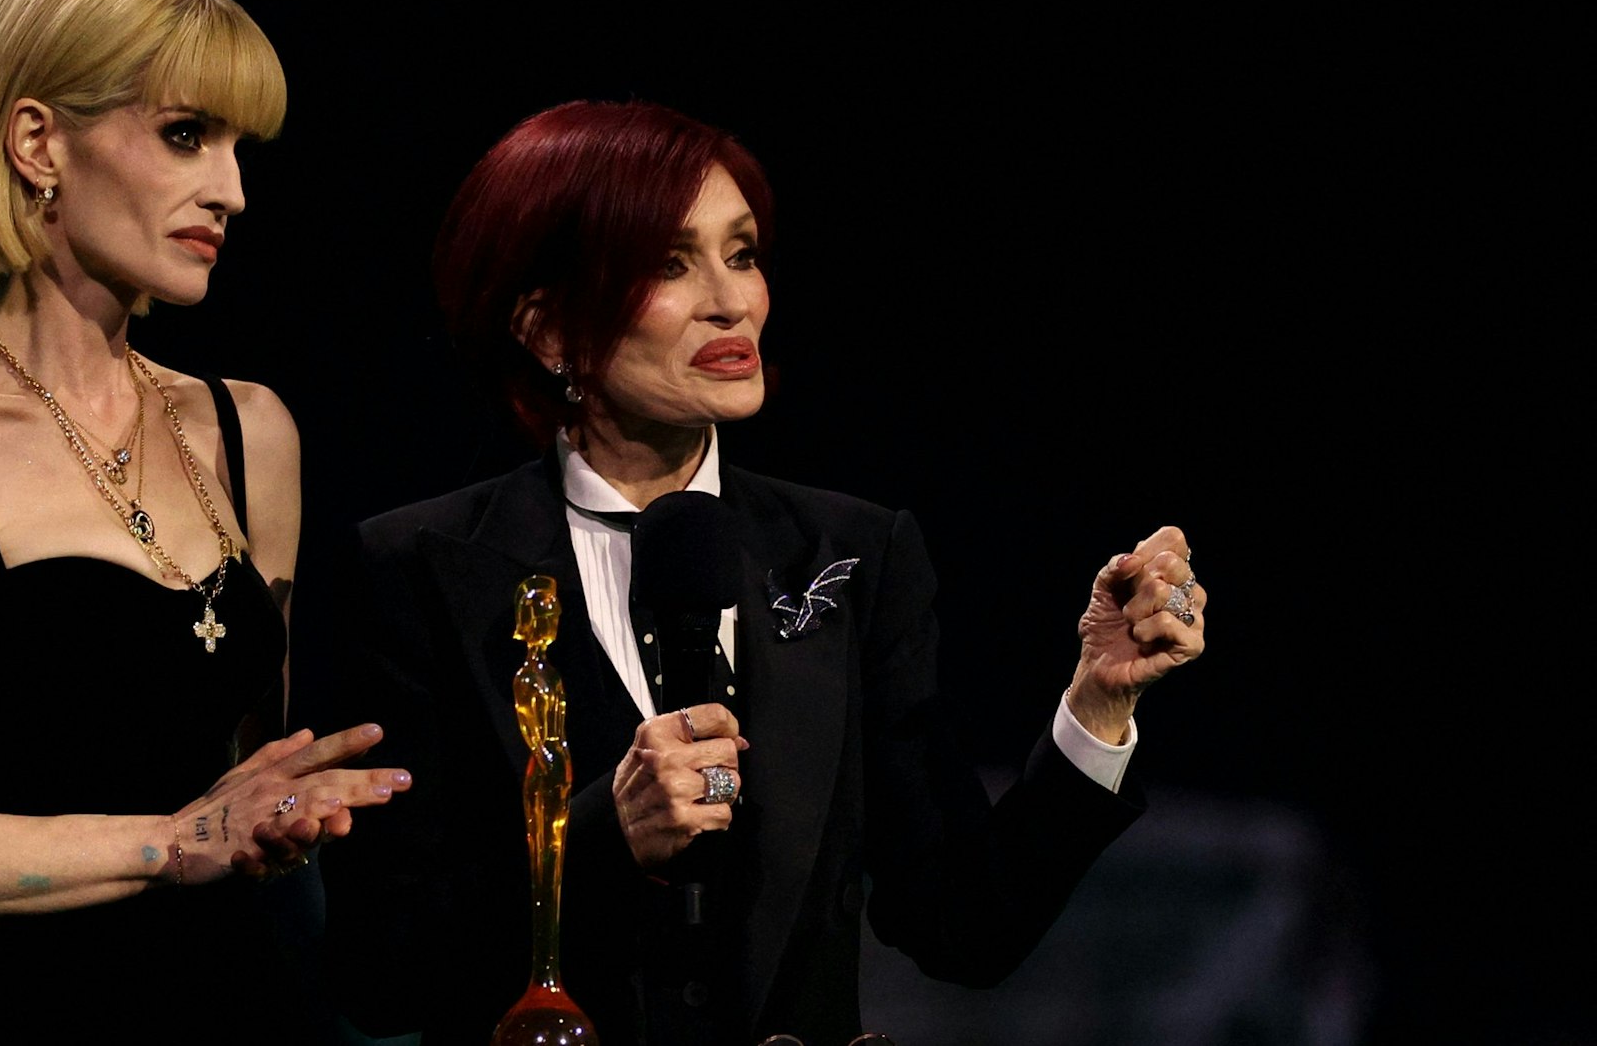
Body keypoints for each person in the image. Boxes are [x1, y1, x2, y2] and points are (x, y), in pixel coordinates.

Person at [318, 100, 1206, 1045]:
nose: (732, 300)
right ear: (549, 333)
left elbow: (963, 925)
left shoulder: (854, 555)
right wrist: (604, 841)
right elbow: (382, 971)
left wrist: (1098, 708)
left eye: (740, 253)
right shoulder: (411, 569)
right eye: (669, 263)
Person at [0, 0, 409, 1041]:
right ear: (36, 143)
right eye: (185, 136)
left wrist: (286, 817)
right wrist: (168, 845)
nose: (231, 190)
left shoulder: (248, 430)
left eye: (236, 147)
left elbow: (246, 786)